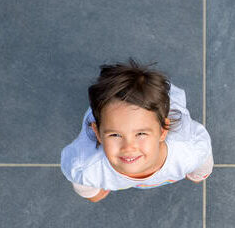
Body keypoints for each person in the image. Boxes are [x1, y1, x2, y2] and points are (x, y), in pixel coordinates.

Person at [60, 58, 213, 202]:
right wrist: (92, 192)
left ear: (163, 130)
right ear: (98, 133)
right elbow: (79, 177)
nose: (128, 147)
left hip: (168, 102)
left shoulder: (189, 150)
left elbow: (204, 156)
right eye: (115, 134)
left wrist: (198, 173)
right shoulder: (85, 166)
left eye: (140, 133)